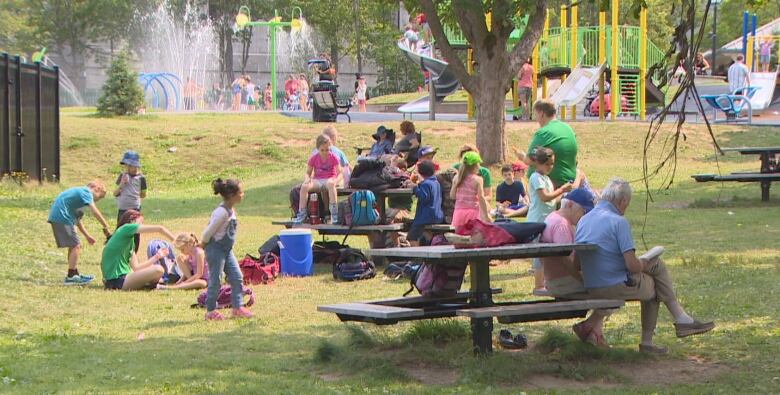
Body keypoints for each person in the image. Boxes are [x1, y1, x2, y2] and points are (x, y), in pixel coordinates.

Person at [576, 178, 715, 354]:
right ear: (623, 201)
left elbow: (578, 261)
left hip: (592, 283)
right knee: (655, 281)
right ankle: (664, 331)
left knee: (654, 269)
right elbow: (632, 266)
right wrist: (643, 262)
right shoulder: (618, 222)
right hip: (613, 285)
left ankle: (680, 320)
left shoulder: (584, 220)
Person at [537, 188, 612, 347]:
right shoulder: (562, 225)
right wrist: (584, 279)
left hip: (554, 279)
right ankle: (590, 329)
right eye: (583, 211)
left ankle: (594, 335)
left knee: (606, 287)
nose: (585, 216)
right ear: (570, 205)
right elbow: (568, 260)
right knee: (612, 289)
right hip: (563, 282)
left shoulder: (552, 218)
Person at [201, 179, 252, 320]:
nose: (243, 194)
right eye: (240, 192)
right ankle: (210, 311)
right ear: (232, 195)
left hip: (226, 250)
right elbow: (208, 232)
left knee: (236, 277)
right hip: (215, 249)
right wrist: (203, 244)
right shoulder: (221, 212)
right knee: (216, 279)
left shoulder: (231, 210)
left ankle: (237, 307)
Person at [48, 181, 112, 285]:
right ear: (96, 189)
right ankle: (71, 276)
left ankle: (74, 273)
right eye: (100, 197)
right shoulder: (86, 192)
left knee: (73, 246)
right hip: (62, 217)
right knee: (76, 246)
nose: (98, 200)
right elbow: (95, 211)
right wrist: (106, 225)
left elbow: (77, 220)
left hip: (59, 216)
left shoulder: (78, 198)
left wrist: (87, 236)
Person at [527, 146, 573, 292]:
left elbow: (552, 200)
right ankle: (538, 285)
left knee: (546, 254)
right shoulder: (536, 178)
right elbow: (544, 197)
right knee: (538, 254)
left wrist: (565, 195)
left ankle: (546, 281)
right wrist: (562, 190)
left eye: (552, 164)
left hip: (547, 221)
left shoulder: (546, 178)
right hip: (537, 220)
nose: (550, 167)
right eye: (547, 164)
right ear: (538, 163)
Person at [101, 210, 176, 291]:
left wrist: (157, 256)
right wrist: (175, 240)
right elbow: (160, 229)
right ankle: (152, 285)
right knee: (158, 269)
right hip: (118, 280)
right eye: (140, 223)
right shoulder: (126, 227)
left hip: (118, 280)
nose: (142, 226)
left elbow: (136, 267)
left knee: (154, 268)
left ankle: (149, 284)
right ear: (132, 220)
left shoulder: (127, 241)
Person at [515, 100, 578, 189]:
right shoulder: (568, 128)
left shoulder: (544, 133)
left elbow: (530, 160)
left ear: (541, 113)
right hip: (569, 179)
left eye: (535, 114)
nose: (536, 119)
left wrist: (522, 156)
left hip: (550, 184)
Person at [294, 135, 342, 225]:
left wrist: (335, 181)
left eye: (327, 150)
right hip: (318, 180)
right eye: (322, 150)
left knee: (331, 185)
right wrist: (307, 179)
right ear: (318, 149)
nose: (325, 152)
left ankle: (334, 214)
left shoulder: (333, 157)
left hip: (329, 178)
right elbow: (308, 172)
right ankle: (301, 214)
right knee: (304, 187)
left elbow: (340, 173)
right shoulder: (314, 158)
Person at [114, 150, 147, 253]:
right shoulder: (122, 176)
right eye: (126, 165)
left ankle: (134, 254)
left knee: (135, 232)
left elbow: (143, 194)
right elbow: (115, 193)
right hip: (122, 209)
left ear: (136, 166)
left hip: (135, 208)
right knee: (120, 231)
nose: (127, 168)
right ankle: (120, 252)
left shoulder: (141, 178)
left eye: (130, 165)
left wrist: (135, 196)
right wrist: (122, 184)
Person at [404, 160, 444, 246]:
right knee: (424, 234)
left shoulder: (426, 184)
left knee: (412, 236)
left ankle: (416, 255)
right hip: (437, 215)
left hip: (426, 216)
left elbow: (424, 197)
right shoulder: (436, 182)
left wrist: (414, 187)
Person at [451, 151, 489, 229]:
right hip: (473, 213)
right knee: (474, 237)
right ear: (475, 166)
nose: (479, 167)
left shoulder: (457, 178)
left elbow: (452, 196)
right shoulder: (478, 180)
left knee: (459, 236)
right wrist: (486, 215)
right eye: (478, 164)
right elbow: (481, 198)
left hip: (459, 213)